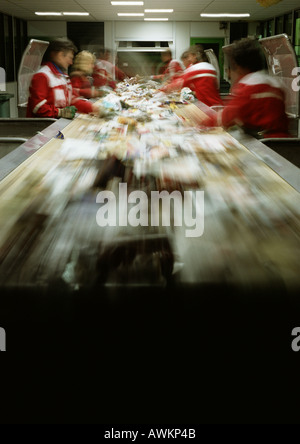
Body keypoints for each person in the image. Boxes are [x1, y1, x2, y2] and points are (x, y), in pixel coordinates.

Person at [203, 38, 289, 138]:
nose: (229, 74)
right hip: (276, 142)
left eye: (230, 69)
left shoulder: (251, 86)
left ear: (239, 68)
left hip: (267, 145)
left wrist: (198, 125)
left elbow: (227, 116)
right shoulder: (269, 81)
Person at [27, 38, 99, 118]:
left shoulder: (63, 77)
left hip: (58, 125)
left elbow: (72, 100)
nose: (71, 62)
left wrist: (93, 108)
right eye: (70, 58)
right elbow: (38, 107)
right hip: (45, 128)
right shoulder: (42, 76)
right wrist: (59, 112)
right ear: (60, 55)